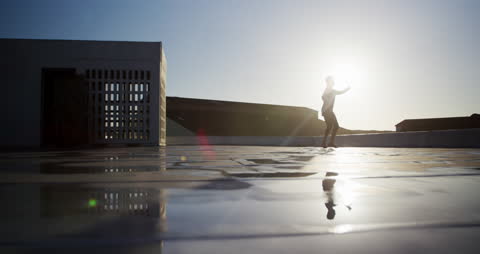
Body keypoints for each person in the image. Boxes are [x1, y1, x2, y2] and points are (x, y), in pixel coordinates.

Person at [321, 76, 350, 148]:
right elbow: (323, 96)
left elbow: (340, 92)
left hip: (328, 111)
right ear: (329, 82)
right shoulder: (328, 89)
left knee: (332, 126)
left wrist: (347, 88)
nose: (333, 83)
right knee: (332, 126)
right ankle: (326, 142)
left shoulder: (333, 91)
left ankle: (329, 142)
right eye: (331, 81)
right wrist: (326, 100)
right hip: (326, 111)